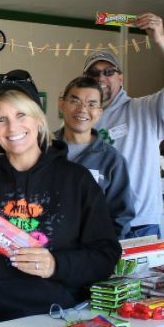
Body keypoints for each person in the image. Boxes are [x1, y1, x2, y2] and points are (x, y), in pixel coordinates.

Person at [0, 70, 121, 327]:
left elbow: (106, 256)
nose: (13, 128)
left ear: (39, 120)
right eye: (1, 119)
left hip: (61, 318)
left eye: (21, 115)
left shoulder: (77, 180)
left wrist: (56, 264)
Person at [83, 13, 164, 238]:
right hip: (96, 226)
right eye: (94, 73)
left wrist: (161, 41)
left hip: (140, 224)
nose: (101, 78)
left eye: (108, 72)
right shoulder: (80, 122)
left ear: (121, 78)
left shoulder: (144, 110)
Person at [55, 76, 135, 238]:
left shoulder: (112, 160)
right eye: (75, 101)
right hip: (45, 251)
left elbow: (120, 217)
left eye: (91, 104)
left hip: (90, 254)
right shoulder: (41, 149)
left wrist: (104, 254)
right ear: (62, 104)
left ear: (99, 112)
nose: (82, 109)